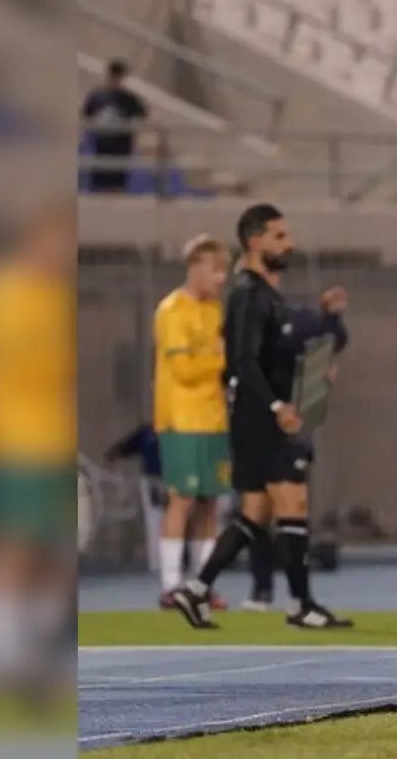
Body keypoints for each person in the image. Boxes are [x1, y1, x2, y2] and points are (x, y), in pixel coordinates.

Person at [170, 203, 353, 629]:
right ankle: (302, 604)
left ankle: (195, 590)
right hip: (262, 420)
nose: (289, 244)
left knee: (255, 514)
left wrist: (316, 370)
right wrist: (276, 406)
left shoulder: (267, 295)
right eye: (279, 236)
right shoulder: (248, 294)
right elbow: (242, 362)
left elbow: (277, 355)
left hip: (257, 418)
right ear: (255, 241)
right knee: (294, 503)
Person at [0, 199, 76, 700]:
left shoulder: (57, 296)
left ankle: (34, 657)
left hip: (56, 440)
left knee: (53, 555)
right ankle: (3, 660)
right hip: (17, 440)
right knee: (16, 546)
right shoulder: (4, 292)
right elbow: (27, 363)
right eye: (56, 239)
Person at [244, 307, 349, 611]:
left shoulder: (306, 364)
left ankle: (296, 596)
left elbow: (334, 340)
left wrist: (333, 320)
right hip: (263, 443)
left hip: (291, 444)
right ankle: (264, 590)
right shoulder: (265, 362)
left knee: (291, 519)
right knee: (260, 516)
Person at [151, 235, 234, 611]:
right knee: (181, 499)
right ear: (195, 267)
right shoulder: (172, 310)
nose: (221, 278)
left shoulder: (214, 310)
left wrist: (219, 360)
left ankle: (202, 583)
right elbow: (184, 369)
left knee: (210, 503)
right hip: (181, 418)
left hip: (213, 418)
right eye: (215, 270)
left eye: (224, 271)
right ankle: (171, 586)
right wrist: (219, 358)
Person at [80, 59, 148, 194]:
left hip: (121, 145)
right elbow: (86, 115)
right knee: (100, 179)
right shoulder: (98, 96)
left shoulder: (129, 98)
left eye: (119, 76)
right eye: (114, 76)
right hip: (102, 144)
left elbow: (142, 115)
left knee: (117, 181)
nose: (117, 79)